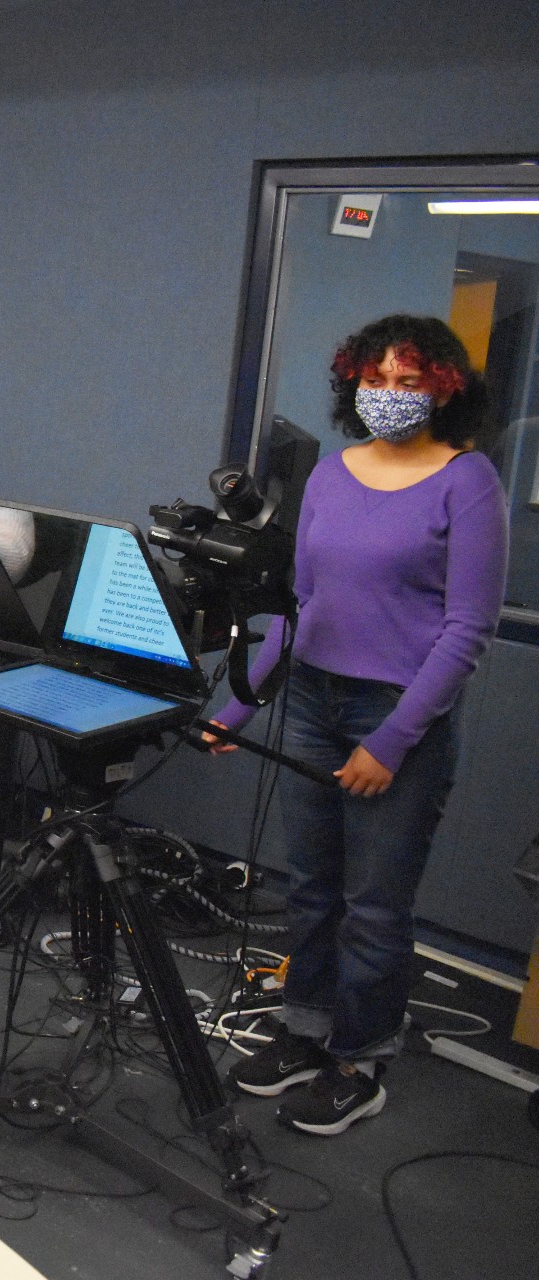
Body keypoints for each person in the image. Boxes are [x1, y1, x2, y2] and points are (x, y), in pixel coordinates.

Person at [209, 314, 508, 1136]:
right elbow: (300, 608)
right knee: (309, 889)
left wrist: (391, 741)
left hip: (395, 713)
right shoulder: (334, 476)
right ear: (352, 385)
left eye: (408, 382)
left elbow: (467, 632)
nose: (388, 395)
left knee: (374, 906)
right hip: (310, 698)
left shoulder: (467, 481)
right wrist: (234, 710)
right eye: (374, 379)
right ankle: (306, 1030)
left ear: (444, 389)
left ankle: (360, 1058)